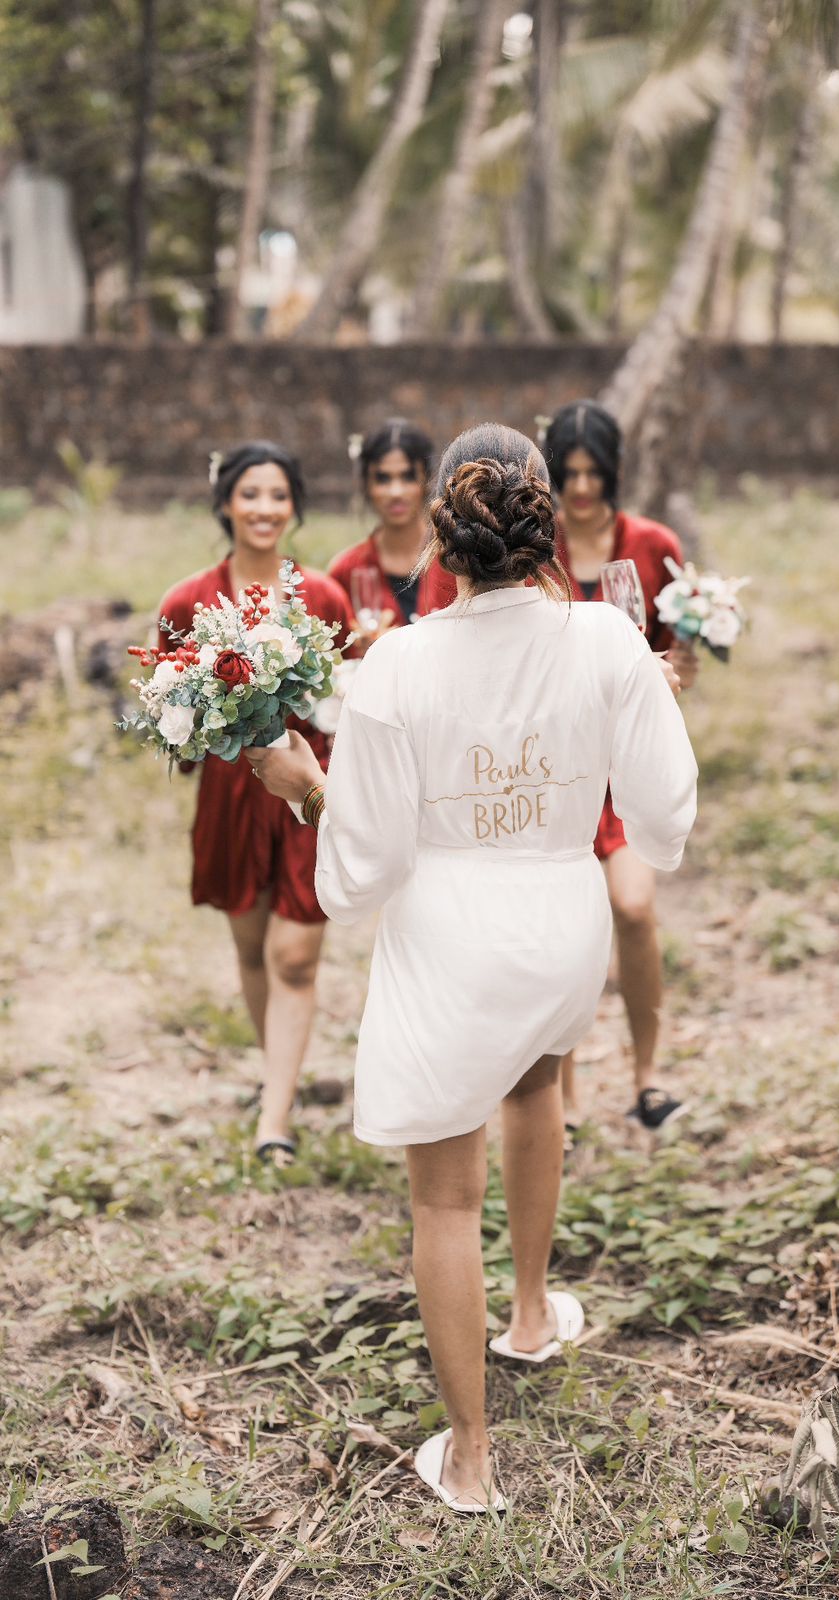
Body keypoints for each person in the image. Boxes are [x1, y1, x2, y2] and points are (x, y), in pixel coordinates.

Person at [247, 424, 697, 1514]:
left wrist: (307, 787)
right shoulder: (604, 639)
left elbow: (362, 870)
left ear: (446, 530)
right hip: (563, 921)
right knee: (538, 1078)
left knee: (445, 1201)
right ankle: (532, 1315)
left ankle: (470, 1451)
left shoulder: (399, 661)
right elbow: (664, 818)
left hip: (452, 932)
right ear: (542, 524)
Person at [157, 441, 353, 1163]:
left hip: (306, 785)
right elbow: (167, 704)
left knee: (295, 955)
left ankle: (275, 1120)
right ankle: (283, 1077)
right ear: (226, 504)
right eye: (250, 494)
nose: (265, 508)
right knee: (251, 949)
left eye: (278, 494)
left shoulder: (324, 596)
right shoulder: (188, 600)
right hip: (232, 795)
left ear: (295, 505)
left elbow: (350, 696)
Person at [543, 400, 698, 1133]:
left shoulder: (650, 542)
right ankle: (565, 1096)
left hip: (628, 759)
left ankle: (648, 1074)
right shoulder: (532, 548)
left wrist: (676, 669)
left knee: (632, 909)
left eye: (592, 472)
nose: (580, 487)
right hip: (556, 764)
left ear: (614, 472)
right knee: (566, 926)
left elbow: (676, 654)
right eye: (567, 473)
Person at [329, 419, 453, 635]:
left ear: (427, 480)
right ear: (366, 484)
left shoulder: (458, 560)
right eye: (383, 479)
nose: (396, 492)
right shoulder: (345, 572)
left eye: (408, 477)